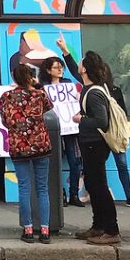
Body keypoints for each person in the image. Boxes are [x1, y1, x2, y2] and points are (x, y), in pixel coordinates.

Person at [0, 63, 53, 244]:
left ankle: (28, 229)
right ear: (31, 76)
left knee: (24, 187)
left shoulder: (6, 97)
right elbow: (49, 108)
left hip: (19, 147)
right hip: (40, 145)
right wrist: (36, 85)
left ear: (14, 78)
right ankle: (45, 230)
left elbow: (5, 121)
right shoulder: (40, 94)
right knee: (42, 188)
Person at [73, 51, 122, 245]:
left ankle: (111, 229)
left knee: (99, 186)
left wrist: (81, 119)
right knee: (93, 185)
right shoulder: (89, 87)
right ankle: (98, 226)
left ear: (84, 68)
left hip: (96, 144)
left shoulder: (93, 93)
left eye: (80, 62)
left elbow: (101, 120)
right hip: (89, 143)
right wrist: (65, 52)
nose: (78, 65)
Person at [40, 52, 83, 208]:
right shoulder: (42, 87)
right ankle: (60, 193)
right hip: (52, 128)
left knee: (75, 161)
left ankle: (74, 193)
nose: (60, 70)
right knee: (53, 161)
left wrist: (77, 97)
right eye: (56, 67)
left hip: (70, 129)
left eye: (61, 67)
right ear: (48, 70)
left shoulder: (68, 84)